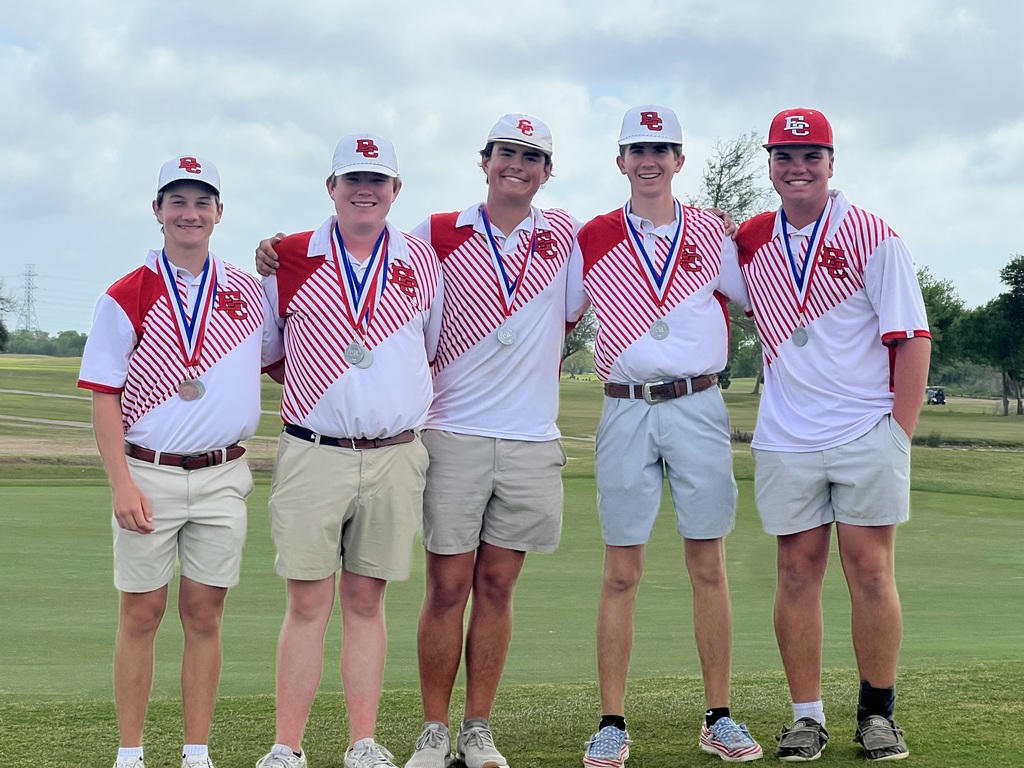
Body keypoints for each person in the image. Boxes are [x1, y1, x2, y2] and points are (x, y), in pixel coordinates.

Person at [257, 114, 580, 768]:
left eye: (531, 156)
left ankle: (472, 731)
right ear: (483, 161)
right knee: (440, 588)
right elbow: (274, 351)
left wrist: (716, 224)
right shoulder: (433, 237)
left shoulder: (566, 236)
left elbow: (421, 344)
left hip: (521, 441)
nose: (517, 165)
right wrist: (332, 391)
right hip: (442, 436)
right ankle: (420, 733)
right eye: (505, 154)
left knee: (493, 588)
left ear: (547, 171)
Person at [565, 105, 764, 766]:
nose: (649, 159)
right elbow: (554, 314)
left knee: (708, 563)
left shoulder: (712, 232)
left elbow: (758, 294)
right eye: (636, 149)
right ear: (620, 161)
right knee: (622, 570)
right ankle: (612, 723)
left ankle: (718, 717)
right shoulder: (591, 236)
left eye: (662, 148)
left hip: (697, 403)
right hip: (624, 407)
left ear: (679, 159)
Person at [735, 107, 931, 762]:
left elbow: (911, 339)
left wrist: (897, 435)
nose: (797, 169)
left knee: (871, 571)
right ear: (771, 164)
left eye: (810, 156)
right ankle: (806, 718)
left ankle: (878, 714)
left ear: (831, 162)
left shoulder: (873, 236)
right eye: (785, 157)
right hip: (787, 436)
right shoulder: (753, 238)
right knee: (795, 572)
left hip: (864, 430)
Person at [78, 156, 284, 768]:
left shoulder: (248, 289)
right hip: (147, 472)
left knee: (204, 613)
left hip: (223, 476)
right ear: (158, 210)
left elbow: (283, 349)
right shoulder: (126, 293)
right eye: (177, 201)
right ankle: (131, 753)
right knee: (142, 612)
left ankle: (197, 752)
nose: (189, 213)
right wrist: (120, 483)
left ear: (219, 213)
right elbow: (105, 397)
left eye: (202, 202)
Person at [254, 134, 443, 768]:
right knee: (308, 602)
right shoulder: (289, 256)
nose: (366, 190)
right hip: (314, 449)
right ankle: (288, 746)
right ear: (331, 187)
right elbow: (272, 351)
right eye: (352, 178)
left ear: (396, 190)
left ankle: (363, 741)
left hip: (394, 454)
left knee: (367, 600)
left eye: (379, 180)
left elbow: (429, 344)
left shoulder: (421, 258)